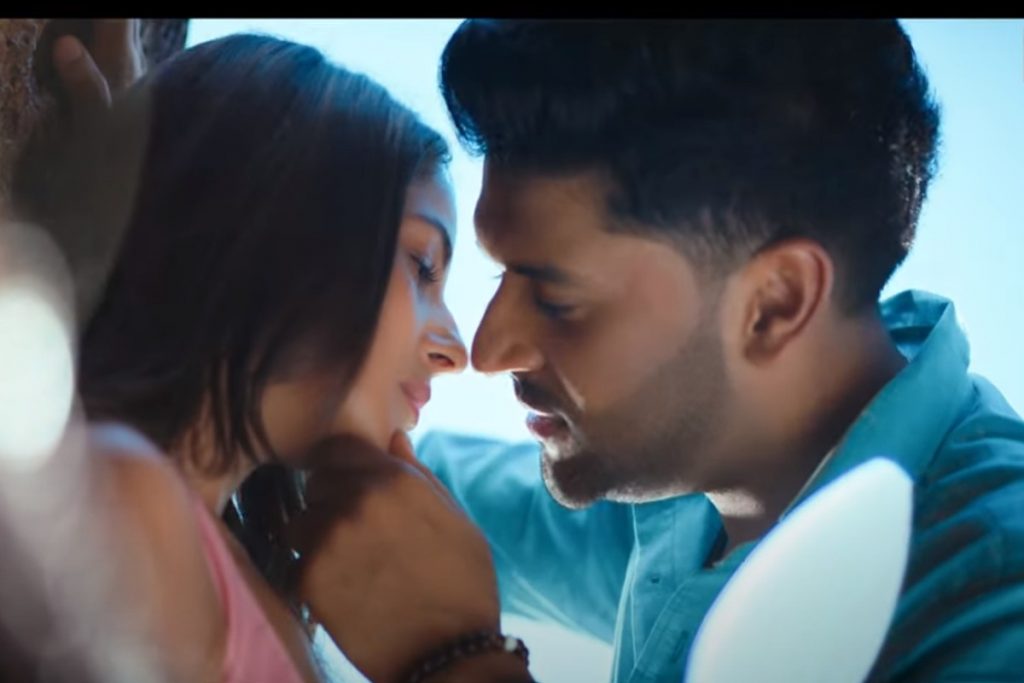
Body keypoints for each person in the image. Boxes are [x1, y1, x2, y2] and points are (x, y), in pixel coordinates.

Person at [403, 19, 1024, 682]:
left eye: (559, 299)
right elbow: (431, 496)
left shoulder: (990, 608)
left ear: (775, 303)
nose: (489, 350)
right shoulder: (696, 477)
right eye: (499, 275)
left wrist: (456, 661)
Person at [10, 27, 533, 683]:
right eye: (422, 265)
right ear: (276, 231)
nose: (456, 350)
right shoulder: (134, 509)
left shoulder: (228, 564)